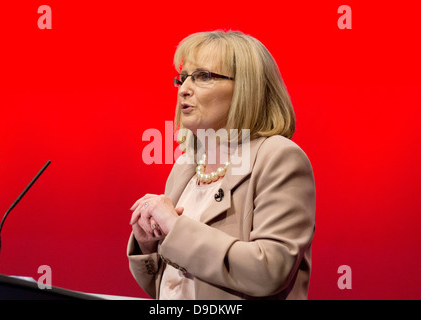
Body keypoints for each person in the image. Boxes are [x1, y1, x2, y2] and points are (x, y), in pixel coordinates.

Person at [127, 30, 316, 300]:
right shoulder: (186, 165)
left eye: (203, 76)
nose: (184, 89)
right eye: (183, 78)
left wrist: (176, 229)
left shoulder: (279, 157)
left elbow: (270, 270)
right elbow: (176, 286)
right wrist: (149, 245)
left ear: (245, 87)